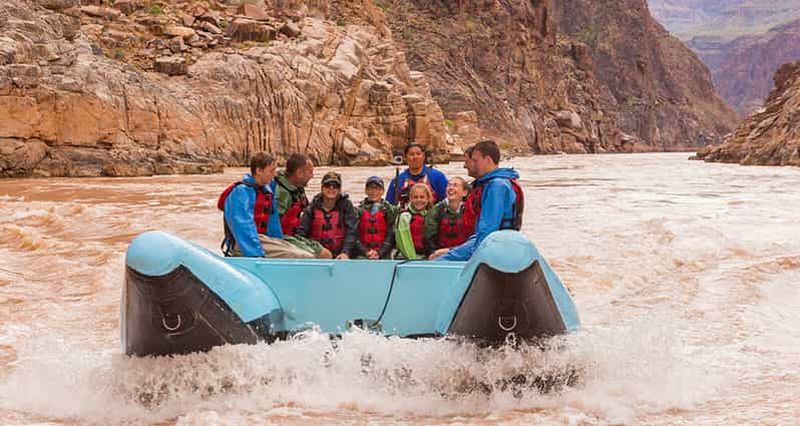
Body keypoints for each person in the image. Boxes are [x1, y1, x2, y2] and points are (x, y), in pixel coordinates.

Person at [430, 140, 525, 261]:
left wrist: (454, 254)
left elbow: (486, 232)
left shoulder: (497, 186)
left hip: (495, 246)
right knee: (440, 256)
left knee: (439, 261)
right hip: (494, 243)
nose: (471, 164)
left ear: (488, 160)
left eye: (475, 160)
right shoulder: (493, 183)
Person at [217, 152, 314, 258]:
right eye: (271, 171)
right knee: (304, 256)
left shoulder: (266, 191)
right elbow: (243, 226)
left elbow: (273, 225)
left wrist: (279, 243)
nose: (275, 175)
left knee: (306, 253)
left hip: (262, 239)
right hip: (242, 243)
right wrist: (257, 255)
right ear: (259, 171)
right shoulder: (241, 192)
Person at [296, 171, 358, 260]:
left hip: (341, 255)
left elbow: (351, 232)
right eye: (327, 185)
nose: (331, 188)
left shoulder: (346, 207)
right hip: (317, 254)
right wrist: (314, 250)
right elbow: (301, 233)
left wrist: (345, 252)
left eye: (335, 186)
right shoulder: (312, 208)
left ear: (339, 189)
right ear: (322, 188)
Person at [386, 143, 448, 208]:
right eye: (411, 154)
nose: (415, 157)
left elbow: (447, 203)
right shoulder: (397, 181)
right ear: (405, 158)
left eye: (418, 154)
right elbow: (389, 207)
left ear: (423, 156)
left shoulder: (437, 177)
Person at [424, 176, 472, 254]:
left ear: (464, 192)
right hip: (441, 254)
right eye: (449, 185)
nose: (451, 188)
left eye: (455, 185)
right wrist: (434, 253)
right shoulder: (436, 210)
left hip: (464, 253)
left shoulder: (470, 210)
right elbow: (429, 239)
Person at [355, 176, 398, 259]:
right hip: (363, 253)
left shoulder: (389, 210)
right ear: (366, 191)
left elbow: (391, 235)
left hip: (384, 253)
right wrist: (366, 252)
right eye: (370, 188)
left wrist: (380, 252)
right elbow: (355, 235)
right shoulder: (358, 211)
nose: (374, 191)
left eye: (377, 189)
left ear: (383, 191)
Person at [273, 154, 313, 237]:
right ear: (299, 173)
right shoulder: (281, 193)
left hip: (296, 234)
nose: (312, 176)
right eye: (310, 172)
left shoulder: (297, 189)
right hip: (281, 238)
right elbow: (275, 226)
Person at [394, 183, 434, 259]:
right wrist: (413, 259)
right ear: (410, 199)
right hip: (407, 257)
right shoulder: (404, 217)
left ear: (428, 198)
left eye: (422, 197)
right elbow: (403, 241)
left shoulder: (432, 215)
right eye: (415, 197)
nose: (419, 200)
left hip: (427, 257)